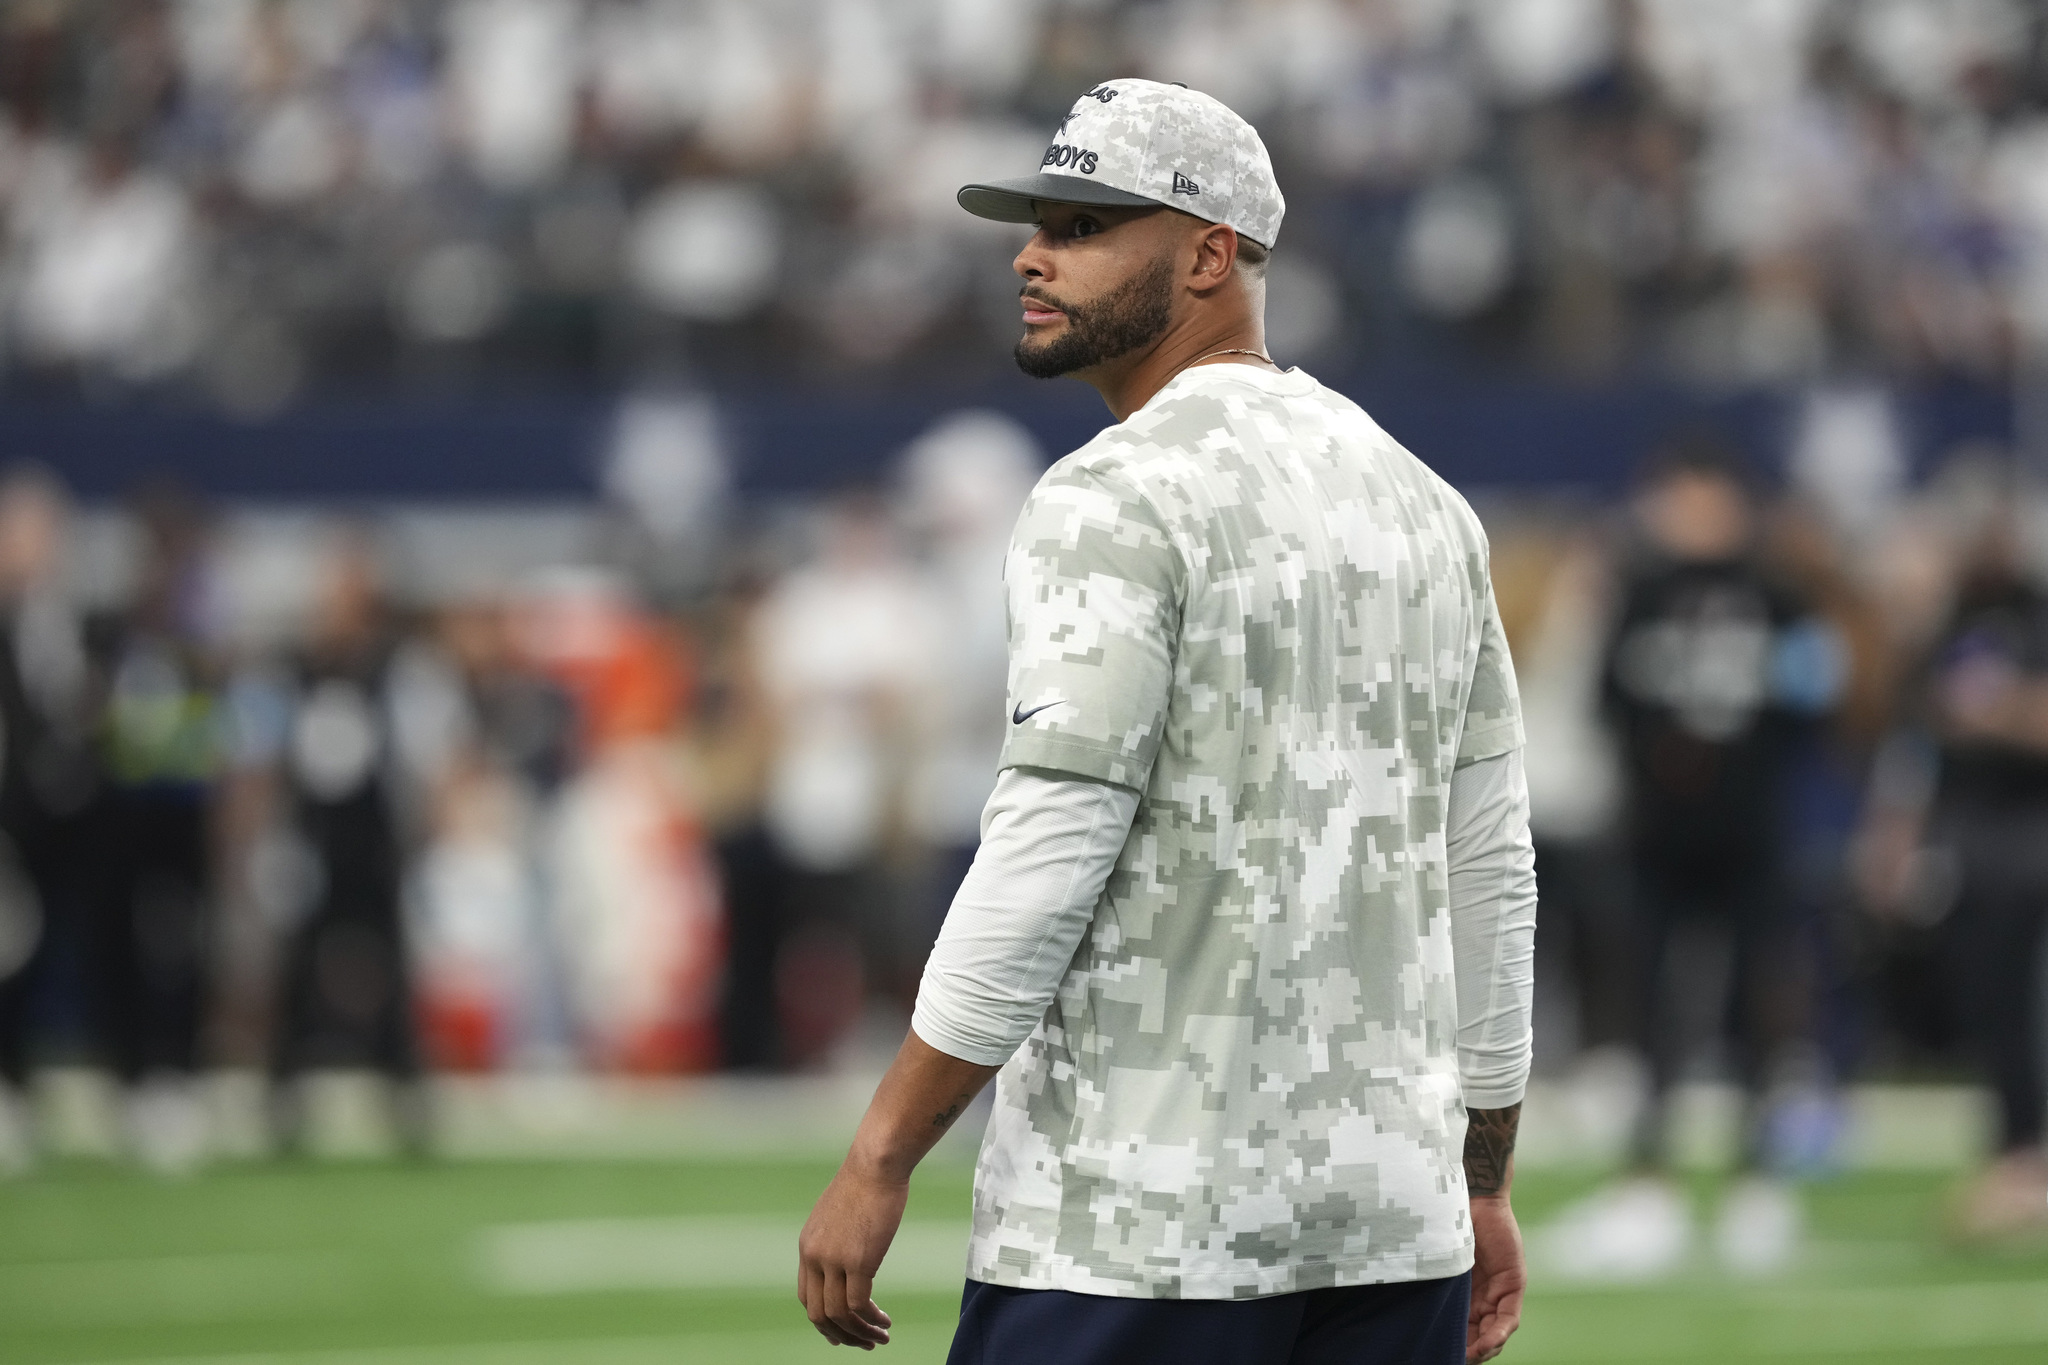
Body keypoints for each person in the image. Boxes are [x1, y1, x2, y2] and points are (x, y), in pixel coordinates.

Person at [797, 80, 1536, 1365]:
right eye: (1037, 225)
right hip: (1389, 1231)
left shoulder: (1112, 495)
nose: (1031, 256)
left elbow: (1048, 849)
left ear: (1208, 255)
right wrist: (1481, 1178)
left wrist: (879, 1154)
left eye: (1083, 228)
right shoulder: (1424, 503)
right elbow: (1487, 866)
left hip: (1137, 1230)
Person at [1548, 445, 1839, 1279]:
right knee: (1648, 1009)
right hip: (1657, 836)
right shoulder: (1636, 589)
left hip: (1752, 833)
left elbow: (1813, 701)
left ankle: (1758, 1179)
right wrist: (1664, 761)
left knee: (1759, 1006)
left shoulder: (1780, 593)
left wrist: (1740, 766)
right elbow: (1606, 698)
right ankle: (1649, 1179)